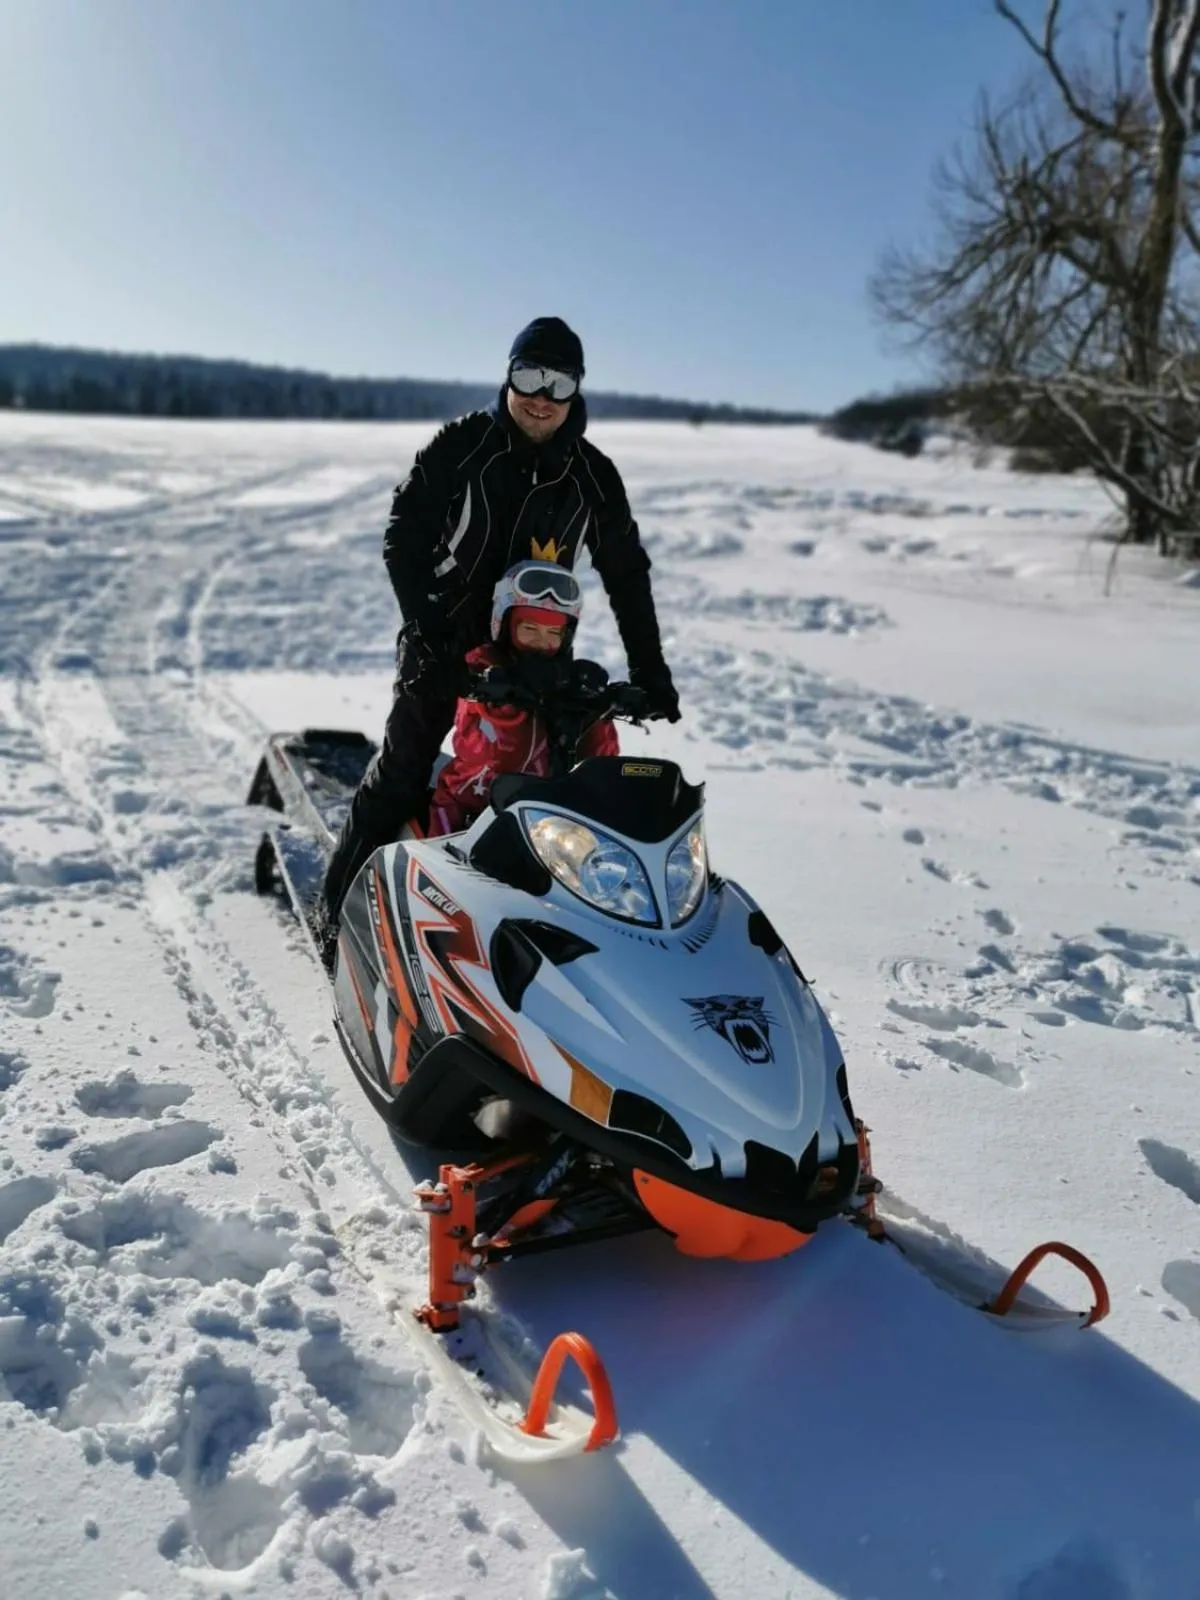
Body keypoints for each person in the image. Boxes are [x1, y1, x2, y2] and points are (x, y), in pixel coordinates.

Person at [314, 315, 678, 955]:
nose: (542, 397)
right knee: (403, 774)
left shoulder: (593, 475)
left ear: (577, 389)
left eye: (559, 383)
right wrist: (427, 631)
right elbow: (404, 536)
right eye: (529, 376)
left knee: (556, 803)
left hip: (537, 657)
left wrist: (651, 672)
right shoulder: (462, 445)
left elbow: (626, 572)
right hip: (445, 645)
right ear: (508, 375)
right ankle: (336, 919)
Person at [426, 560, 619, 836]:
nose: (542, 641)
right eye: (530, 628)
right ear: (505, 625)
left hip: (546, 821)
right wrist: (505, 691)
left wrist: (599, 709)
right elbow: (500, 750)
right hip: (469, 809)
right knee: (441, 847)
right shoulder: (482, 669)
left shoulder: (566, 680)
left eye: (553, 633)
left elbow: (599, 767)